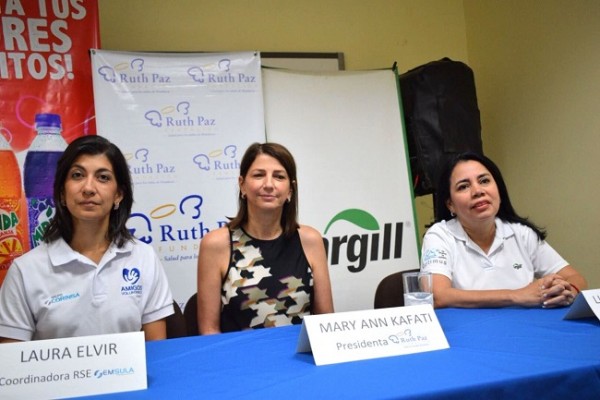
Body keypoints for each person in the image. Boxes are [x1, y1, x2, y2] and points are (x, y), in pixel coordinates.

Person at [0, 135, 174, 342]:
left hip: (128, 375)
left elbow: (156, 351)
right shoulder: (25, 271)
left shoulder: (143, 257)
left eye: (103, 177)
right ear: (62, 193)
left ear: (118, 194)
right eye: (77, 175)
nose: (89, 188)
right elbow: (12, 366)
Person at [197, 142, 334, 334]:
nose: (269, 184)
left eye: (279, 176)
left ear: (290, 190)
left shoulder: (310, 240)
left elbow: (326, 322)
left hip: (299, 360)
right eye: (258, 175)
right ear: (242, 184)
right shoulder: (216, 244)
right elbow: (209, 330)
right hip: (241, 361)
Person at [421, 152, 587, 309]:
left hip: (524, 327)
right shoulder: (439, 235)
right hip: (469, 332)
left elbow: (576, 278)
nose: (478, 191)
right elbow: (437, 295)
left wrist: (567, 292)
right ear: (450, 204)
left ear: (498, 190)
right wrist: (517, 295)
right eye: (464, 186)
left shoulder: (521, 233)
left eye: (484, 181)